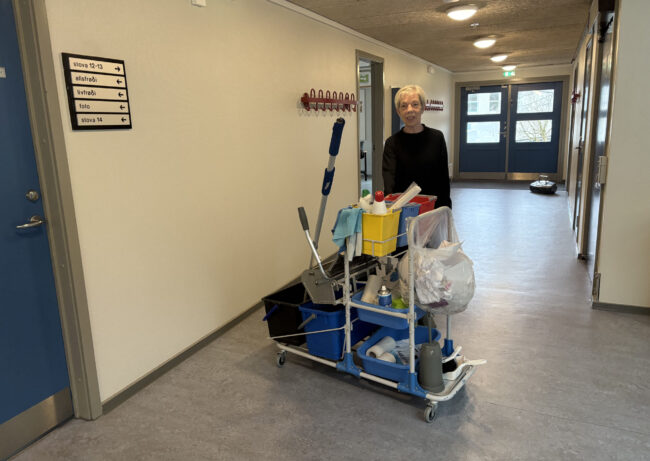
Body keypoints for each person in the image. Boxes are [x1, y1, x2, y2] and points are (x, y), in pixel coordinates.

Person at [382, 85, 452, 209]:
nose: (409, 110)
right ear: (398, 111)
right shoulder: (392, 143)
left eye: (415, 104)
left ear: (423, 108)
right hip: (403, 210)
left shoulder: (437, 138)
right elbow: (389, 184)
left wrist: (446, 210)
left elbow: (443, 180)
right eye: (404, 106)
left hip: (433, 208)